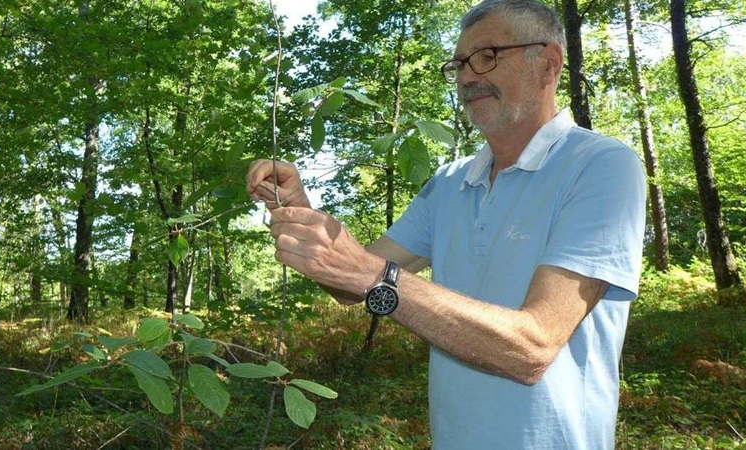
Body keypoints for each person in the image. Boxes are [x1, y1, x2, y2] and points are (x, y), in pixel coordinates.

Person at [246, 0, 646, 448]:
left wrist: (369, 274)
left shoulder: (601, 166)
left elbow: (534, 348)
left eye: (488, 56)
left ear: (548, 64)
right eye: (458, 64)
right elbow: (348, 285)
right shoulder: (452, 182)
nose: (468, 76)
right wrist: (302, 207)